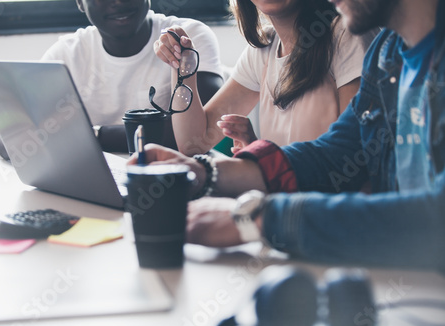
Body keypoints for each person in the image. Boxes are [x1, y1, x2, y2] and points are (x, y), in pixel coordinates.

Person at [129, 0, 445, 270]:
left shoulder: (353, 40)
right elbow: (338, 153)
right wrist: (207, 171)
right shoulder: (387, 53)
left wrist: (260, 219)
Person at [154, 0, 377, 155]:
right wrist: (181, 64)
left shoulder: (346, 36)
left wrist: (261, 156)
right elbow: (193, 143)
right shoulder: (263, 50)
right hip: (283, 203)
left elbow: (353, 153)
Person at [39, 0, 224, 153]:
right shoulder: (64, 55)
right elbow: (29, 132)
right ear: (80, 2)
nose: (118, 2)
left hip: (171, 177)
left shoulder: (187, 36)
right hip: (96, 175)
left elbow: (199, 131)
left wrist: (92, 136)